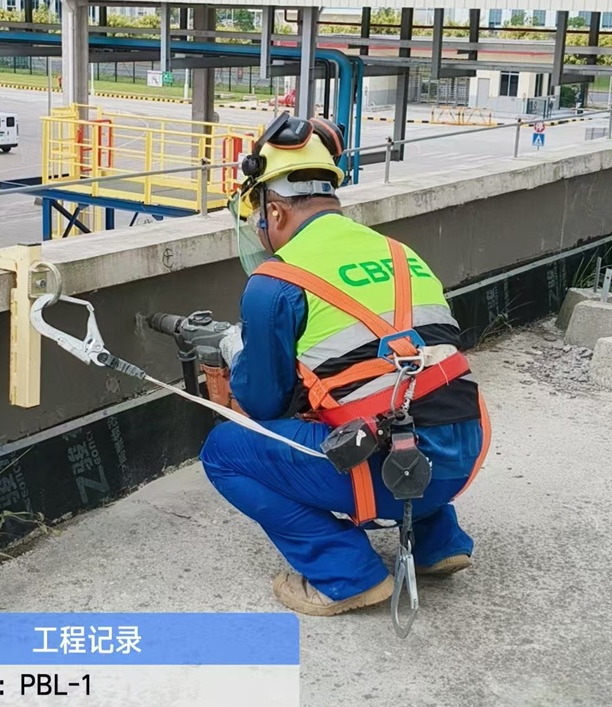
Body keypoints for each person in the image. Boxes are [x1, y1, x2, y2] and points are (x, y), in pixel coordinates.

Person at [199, 113, 490, 617]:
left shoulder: (276, 282)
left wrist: (238, 351)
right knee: (397, 395)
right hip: (465, 450)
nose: (261, 232)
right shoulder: (399, 252)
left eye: (259, 220)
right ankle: (439, 543)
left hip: (385, 471)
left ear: (275, 210)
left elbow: (263, 403)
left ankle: (347, 575)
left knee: (225, 450)